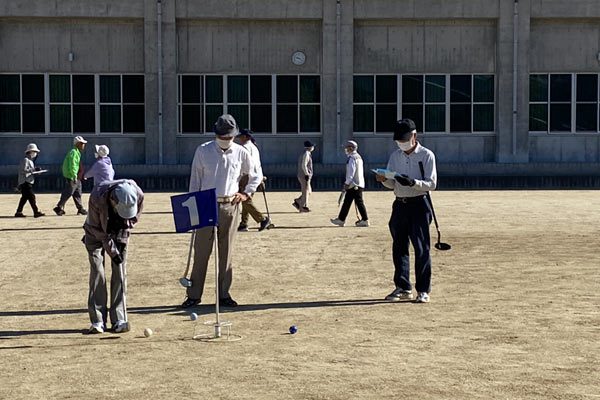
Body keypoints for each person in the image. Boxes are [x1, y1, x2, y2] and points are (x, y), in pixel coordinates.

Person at [182, 114, 261, 309]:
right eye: (222, 137)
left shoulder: (242, 152)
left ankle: (224, 294)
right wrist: (193, 209)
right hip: (205, 203)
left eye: (229, 137)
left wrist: (245, 194)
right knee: (201, 252)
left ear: (234, 136)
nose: (225, 140)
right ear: (216, 134)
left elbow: (255, 175)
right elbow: (195, 180)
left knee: (226, 253)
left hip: (230, 205)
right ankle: (194, 295)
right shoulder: (203, 151)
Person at [375, 119, 437, 304]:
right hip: (400, 204)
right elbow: (391, 182)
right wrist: (383, 179)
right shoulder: (395, 156)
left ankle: (423, 290)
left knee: (421, 248)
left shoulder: (426, 155)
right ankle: (403, 287)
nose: (401, 144)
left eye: (404, 139)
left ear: (414, 136)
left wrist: (414, 183)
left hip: (419, 204)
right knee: (399, 246)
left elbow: (432, 184)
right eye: (398, 141)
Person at [83, 179, 144, 334]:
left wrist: (122, 240)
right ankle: (98, 321)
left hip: (120, 232)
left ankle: (119, 319)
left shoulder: (138, 194)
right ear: (112, 201)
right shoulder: (97, 196)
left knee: (120, 271)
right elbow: (99, 232)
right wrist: (113, 251)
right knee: (98, 271)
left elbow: (133, 219)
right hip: (95, 233)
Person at [236, 129, 271, 232]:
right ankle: (244, 223)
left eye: (241, 137)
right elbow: (258, 164)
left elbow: (242, 164)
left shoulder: (243, 148)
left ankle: (262, 219)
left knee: (245, 200)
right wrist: (260, 177)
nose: (240, 139)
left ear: (246, 137)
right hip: (255, 175)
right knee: (247, 200)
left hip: (247, 176)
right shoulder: (254, 147)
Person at [330, 140, 369, 227]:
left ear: (351, 148)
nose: (345, 149)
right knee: (349, 201)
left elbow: (351, 172)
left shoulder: (352, 158)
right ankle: (342, 219)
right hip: (359, 183)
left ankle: (364, 219)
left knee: (355, 202)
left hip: (354, 184)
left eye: (347, 147)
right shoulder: (358, 157)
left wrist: (347, 183)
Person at [54, 136, 88, 216]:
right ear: (78, 144)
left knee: (77, 193)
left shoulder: (76, 152)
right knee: (68, 192)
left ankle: (80, 208)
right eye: (82, 143)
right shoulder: (74, 152)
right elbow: (73, 165)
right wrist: (74, 176)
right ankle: (59, 207)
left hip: (77, 177)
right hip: (73, 177)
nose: (84, 145)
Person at [15, 143, 45, 218]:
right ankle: (36, 212)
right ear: (30, 152)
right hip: (25, 182)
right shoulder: (26, 160)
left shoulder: (30, 161)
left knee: (24, 198)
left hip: (28, 181)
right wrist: (34, 169)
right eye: (34, 152)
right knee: (31, 197)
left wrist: (37, 172)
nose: (35, 153)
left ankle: (18, 212)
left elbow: (30, 171)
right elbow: (24, 170)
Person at [293, 140, 314, 212]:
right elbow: (304, 165)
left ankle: (298, 201)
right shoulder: (306, 154)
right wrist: (307, 174)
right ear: (310, 147)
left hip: (303, 175)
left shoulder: (305, 153)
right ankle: (303, 206)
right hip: (304, 176)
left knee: (308, 191)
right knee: (305, 191)